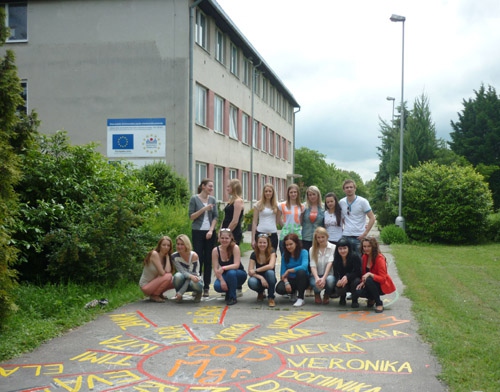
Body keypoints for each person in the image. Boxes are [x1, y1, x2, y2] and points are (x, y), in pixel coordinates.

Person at [189, 178, 218, 298]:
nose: (211, 188)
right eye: (210, 186)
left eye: (212, 186)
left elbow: (216, 216)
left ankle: (206, 287)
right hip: (197, 231)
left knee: (208, 259)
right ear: (203, 186)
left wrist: (211, 230)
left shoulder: (213, 199)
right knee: (198, 259)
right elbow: (191, 216)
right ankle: (197, 286)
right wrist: (204, 209)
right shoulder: (194, 199)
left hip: (210, 232)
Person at [352, 237, 396, 313]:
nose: (366, 249)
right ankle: (371, 298)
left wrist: (370, 274)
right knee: (358, 288)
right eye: (364, 246)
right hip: (369, 283)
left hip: (381, 285)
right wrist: (362, 282)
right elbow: (363, 274)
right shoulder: (364, 257)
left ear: (373, 247)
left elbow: (383, 279)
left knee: (369, 280)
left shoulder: (380, 259)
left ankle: (379, 303)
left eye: (369, 246)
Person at [212, 229, 248, 306]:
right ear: (219, 238)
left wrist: (223, 268)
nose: (224, 240)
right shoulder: (215, 250)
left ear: (231, 238)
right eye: (222, 238)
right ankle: (229, 291)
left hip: (238, 274)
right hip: (225, 275)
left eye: (226, 238)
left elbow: (236, 265)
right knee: (217, 286)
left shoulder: (235, 247)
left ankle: (233, 297)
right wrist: (222, 280)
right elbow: (215, 269)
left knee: (231, 272)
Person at [339, 179, 376, 254]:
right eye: (347, 187)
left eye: (351, 187)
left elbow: (372, 218)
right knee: (347, 261)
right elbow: (342, 218)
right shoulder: (341, 202)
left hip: (359, 236)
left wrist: (365, 234)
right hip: (346, 236)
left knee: (359, 261)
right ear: (344, 190)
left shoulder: (363, 201)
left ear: (355, 188)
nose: (349, 189)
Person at [275, 233, 309, 307]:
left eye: (291, 244)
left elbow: (304, 267)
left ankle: (300, 298)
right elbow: (283, 273)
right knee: (279, 289)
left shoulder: (304, 252)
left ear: (296, 243)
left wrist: (289, 270)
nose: (289, 247)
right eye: (287, 245)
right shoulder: (285, 255)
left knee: (301, 272)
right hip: (291, 279)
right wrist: (286, 283)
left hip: (303, 279)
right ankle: (293, 292)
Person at [139, 236, 175, 303]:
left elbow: (168, 270)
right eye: (164, 245)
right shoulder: (154, 254)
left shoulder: (166, 257)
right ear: (159, 245)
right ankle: (155, 295)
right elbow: (162, 273)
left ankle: (159, 293)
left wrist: (167, 257)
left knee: (175, 280)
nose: (166, 247)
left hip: (154, 283)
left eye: (168, 245)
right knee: (168, 276)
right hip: (146, 286)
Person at [247, 233, 277, 307]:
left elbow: (271, 266)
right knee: (251, 281)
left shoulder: (272, 252)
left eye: (264, 242)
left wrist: (256, 270)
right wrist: (261, 278)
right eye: (260, 242)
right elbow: (250, 271)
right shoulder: (254, 254)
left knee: (270, 272)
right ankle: (260, 292)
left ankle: (271, 297)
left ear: (268, 243)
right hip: (259, 277)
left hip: (270, 277)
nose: (262, 245)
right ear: (257, 243)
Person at [172, 234, 203, 303]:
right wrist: (180, 292)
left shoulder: (193, 256)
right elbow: (182, 271)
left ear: (186, 245)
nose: (179, 246)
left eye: (182, 244)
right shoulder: (174, 257)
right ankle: (178, 294)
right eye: (178, 244)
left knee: (195, 281)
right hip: (184, 277)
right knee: (177, 276)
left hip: (194, 278)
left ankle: (198, 292)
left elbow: (193, 275)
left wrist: (181, 291)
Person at [309, 227, 335, 305]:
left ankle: (327, 294)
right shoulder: (312, 249)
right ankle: (317, 294)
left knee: (330, 281)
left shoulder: (333, 247)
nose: (321, 239)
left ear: (327, 236)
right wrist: (317, 278)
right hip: (316, 274)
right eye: (318, 237)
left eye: (323, 237)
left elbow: (330, 263)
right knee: (315, 283)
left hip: (328, 274)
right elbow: (312, 265)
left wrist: (323, 278)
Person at [333, 237, 362, 306]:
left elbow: (358, 272)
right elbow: (336, 273)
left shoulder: (355, 256)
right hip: (343, 281)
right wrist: (338, 281)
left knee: (356, 281)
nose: (342, 251)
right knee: (338, 284)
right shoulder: (336, 259)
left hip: (353, 279)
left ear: (349, 248)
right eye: (340, 249)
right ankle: (342, 298)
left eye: (345, 248)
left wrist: (347, 277)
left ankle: (355, 300)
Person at [251, 183, 279, 252]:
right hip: (260, 233)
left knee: (272, 256)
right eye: (266, 191)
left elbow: (278, 220)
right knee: (260, 257)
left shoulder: (277, 205)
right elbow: (254, 222)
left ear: (273, 193)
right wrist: (253, 239)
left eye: (270, 191)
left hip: (272, 234)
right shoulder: (258, 204)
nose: (268, 193)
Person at [278, 184, 304, 257]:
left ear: (298, 193)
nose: (293, 194)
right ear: (288, 193)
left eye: (295, 192)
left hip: (297, 235)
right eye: (291, 192)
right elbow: (278, 218)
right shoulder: (282, 205)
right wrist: (284, 226)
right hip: (285, 235)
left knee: (297, 257)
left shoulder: (302, 206)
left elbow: (301, 221)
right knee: (285, 257)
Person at [301, 185, 325, 252]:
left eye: (314, 194)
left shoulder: (324, 207)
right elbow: (300, 221)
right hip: (306, 237)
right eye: (310, 195)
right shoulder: (303, 206)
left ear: (318, 195)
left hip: (319, 239)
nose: (312, 196)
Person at [222, 178, 244, 245]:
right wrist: (221, 231)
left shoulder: (238, 201)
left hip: (233, 231)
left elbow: (235, 221)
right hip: (226, 229)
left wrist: (227, 233)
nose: (227, 188)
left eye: (229, 186)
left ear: (234, 187)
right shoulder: (231, 200)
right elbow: (225, 217)